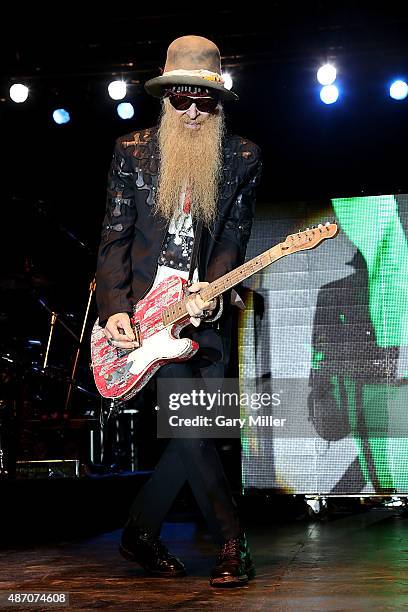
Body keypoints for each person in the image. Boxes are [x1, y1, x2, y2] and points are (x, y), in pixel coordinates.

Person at [95, 35, 262, 587]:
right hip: (146, 315)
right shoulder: (132, 151)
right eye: (181, 99)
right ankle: (234, 544)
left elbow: (233, 237)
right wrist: (116, 308)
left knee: (199, 429)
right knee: (192, 428)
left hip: (204, 309)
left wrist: (209, 290)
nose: (192, 112)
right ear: (164, 97)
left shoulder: (241, 157)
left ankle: (139, 533)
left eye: (204, 101)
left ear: (219, 102)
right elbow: (114, 237)